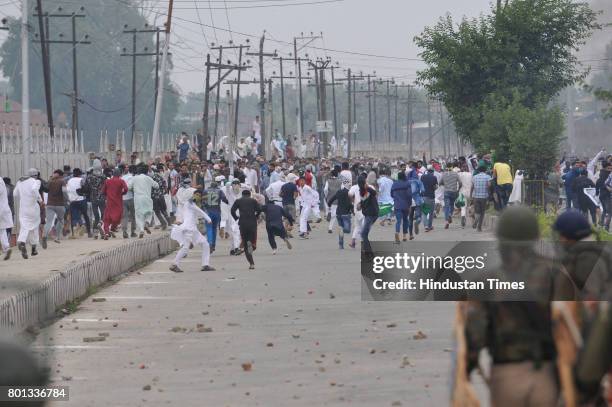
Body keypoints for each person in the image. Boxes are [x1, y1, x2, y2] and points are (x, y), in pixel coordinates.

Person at [462, 207, 575, 407]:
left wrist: (465, 370)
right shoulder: (557, 275)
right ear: (535, 238)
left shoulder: (487, 281)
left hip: (506, 375)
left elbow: (475, 334)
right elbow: (573, 324)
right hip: (548, 374)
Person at [169, 187, 214, 273]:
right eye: (196, 195)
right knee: (185, 248)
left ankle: (205, 265)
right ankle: (174, 264)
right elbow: (200, 211)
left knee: (205, 244)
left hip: (194, 230)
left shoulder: (193, 204)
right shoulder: (189, 203)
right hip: (188, 229)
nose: (197, 196)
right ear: (193, 195)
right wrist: (209, 219)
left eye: (199, 195)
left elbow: (198, 210)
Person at [14, 168, 43, 259]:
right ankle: (34, 249)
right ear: (36, 175)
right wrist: (40, 200)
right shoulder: (36, 181)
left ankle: (22, 241)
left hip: (23, 208)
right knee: (34, 227)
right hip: (33, 208)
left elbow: (15, 194)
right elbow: (34, 190)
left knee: (25, 226)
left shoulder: (20, 182)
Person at [231, 189, 262, 269]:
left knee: (245, 244)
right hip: (252, 223)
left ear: (242, 195)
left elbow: (232, 210)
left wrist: (236, 218)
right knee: (252, 240)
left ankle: (251, 264)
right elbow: (259, 210)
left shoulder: (238, 201)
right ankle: (252, 244)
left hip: (243, 223)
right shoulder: (253, 201)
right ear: (249, 194)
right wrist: (256, 216)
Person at [128, 165, 159, 238]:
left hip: (138, 199)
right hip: (147, 198)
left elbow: (128, 187)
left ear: (138, 171)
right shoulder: (148, 178)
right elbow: (156, 186)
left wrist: (133, 189)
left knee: (139, 215)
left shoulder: (134, 178)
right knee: (149, 212)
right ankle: (147, 223)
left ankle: (141, 230)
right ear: (146, 171)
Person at [201, 178, 228, 253]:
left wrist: (204, 211)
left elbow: (203, 202)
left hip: (208, 212)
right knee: (214, 228)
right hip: (217, 211)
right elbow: (225, 199)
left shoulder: (205, 191)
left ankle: (209, 243)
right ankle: (213, 245)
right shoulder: (219, 191)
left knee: (209, 228)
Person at [100, 168, 128, 239]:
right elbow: (126, 189)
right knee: (118, 216)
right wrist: (122, 193)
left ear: (112, 174)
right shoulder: (121, 181)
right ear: (119, 174)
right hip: (118, 202)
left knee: (107, 218)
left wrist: (107, 195)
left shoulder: (107, 181)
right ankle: (113, 228)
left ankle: (106, 232)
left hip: (109, 202)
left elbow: (103, 191)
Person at [327, 177, 353, 249]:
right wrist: (353, 210)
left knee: (341, 228)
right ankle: (342, 230)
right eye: (349, 185)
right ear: (348, 185)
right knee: (347, 230)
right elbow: (349, 203)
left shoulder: (339, 192)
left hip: (338, 213)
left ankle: (341, 244)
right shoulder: (349, 193)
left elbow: (331, 200)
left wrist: (329, 205)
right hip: (346, 213)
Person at [42, 170, 66, 248]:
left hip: (50, 204)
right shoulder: (62, 181)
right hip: (60, 205)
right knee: (61, 220)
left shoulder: (50, 181)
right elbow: (64, 192)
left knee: (48, 222)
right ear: (61, 175)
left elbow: (45, 189)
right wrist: (68, 200)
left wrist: (50, 180)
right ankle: (57, 237)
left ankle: (44, 235)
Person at [66, 168, 92, 239]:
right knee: (85, 215)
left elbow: (67, 190)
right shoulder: (81, 180)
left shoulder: (69, 180)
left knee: (73, 217)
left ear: (73, 174)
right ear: (80, 174)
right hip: (81, 200)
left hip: (72, 201)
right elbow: (86, 189)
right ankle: (89, 232)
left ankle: (74, 232)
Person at [85, 159, 107, 238]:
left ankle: (95, 233)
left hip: (93, 198)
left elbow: (86, 188)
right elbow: (106, 186)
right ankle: (100, 224)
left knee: (96, 215)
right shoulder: (103, 176)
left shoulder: (89, 177)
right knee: (103, 214)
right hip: (101, 197)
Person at [357, 174, 378, 254]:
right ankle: (367, 251)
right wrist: (360, 205)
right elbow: (364, 201)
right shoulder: (361, 191)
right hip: (368, 214)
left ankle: (369, 252)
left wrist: (367, 187)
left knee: (363, 234)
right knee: (364, 234)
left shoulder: (369, 188)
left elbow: (374, 193)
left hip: (371, 214)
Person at [391, 171, 412, 243]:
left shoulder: (394, 184)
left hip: (397, 205)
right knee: (405, 220)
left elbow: (391, 194)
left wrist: (396, 198)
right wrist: (409, 204)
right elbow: (409, 195)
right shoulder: (407, 184)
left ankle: (397, 233)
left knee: (398, 221)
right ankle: (404, 236)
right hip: (406, 204)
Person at [440, 164, 462, 229]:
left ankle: (447, 221)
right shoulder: (455, 174)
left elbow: (440, 183)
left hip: (446, 192)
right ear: (452, 168)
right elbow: (460, 183)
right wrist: (458, 190)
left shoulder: (444, 174)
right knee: (452, 205)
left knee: (446, 206)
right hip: (454, 192)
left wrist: (445, 184)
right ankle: (450, 215)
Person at [150, 164, 171, 230]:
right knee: (164, 210)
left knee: (157, 211)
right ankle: (169, 223)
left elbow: (151, 187)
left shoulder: (152, 178)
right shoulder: (161, 177)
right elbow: (165, 186)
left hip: (154, 197)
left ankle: (163, 224)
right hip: (161, 196)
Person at [470, 166, 492, 232]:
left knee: (477, 211)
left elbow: (472, 187)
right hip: (484, 197)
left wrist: (471, 196)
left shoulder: (474, 177)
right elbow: (489, 185)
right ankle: (479, 227)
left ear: (479, 170)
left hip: (476, 197)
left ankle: (476, 220)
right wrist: (489, 194)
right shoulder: (488, 177)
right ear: (485, 170)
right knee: (482, 212)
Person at [280, 173, 299, 237]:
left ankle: (287, 232)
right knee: (292, 219)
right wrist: (294, 198)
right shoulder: (294, 186)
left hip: (284, 203)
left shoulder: (283, 186)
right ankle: (287, 230)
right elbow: (296, 194)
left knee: (286, 218)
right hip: (291, 203)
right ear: (292, 179)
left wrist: (284, 196)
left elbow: (280, 194)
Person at [324, 169, 342, 234]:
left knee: (332, 212)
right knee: (335, 214)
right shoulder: (340, 181)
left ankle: (329, 213)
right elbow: (342, 189)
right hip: (337, 200)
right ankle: (331, 227)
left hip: (329, 198)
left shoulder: (328, 181)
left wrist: (326, 196)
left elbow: (325, 189)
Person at [121, 165, 137, 238]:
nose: (127, 168)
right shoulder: (131, 177)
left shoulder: (120, 178)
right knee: (133, 216)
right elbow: (133, 187)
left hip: (123, 199)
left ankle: (124, 231)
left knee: (124, 216)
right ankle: (132, 232)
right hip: (130, 198)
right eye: (126, 167)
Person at [420, 165, 437, 232]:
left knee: (424, 212)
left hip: (424, 196)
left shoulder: (422, 177)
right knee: (431, 212)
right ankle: (430, 226)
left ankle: (426, 226)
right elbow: (435, 187)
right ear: (432, 172)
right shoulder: (434, 177)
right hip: (431, 196)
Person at [0, 177, 13, 260]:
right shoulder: (1, 181)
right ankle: (6, 247)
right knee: (2, 229)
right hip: (4, 209)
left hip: (1, 209)